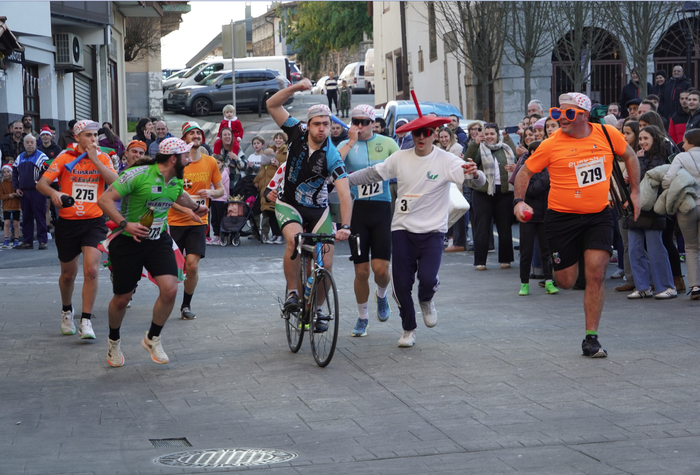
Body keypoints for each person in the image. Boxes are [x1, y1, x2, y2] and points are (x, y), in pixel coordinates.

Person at [514, 92, 641, 358]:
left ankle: (591, 338)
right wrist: (518, 202)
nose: (561, 118)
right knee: (566, 281)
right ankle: (568, 260)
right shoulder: (551, 143)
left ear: (584, 115)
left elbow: (630, 155)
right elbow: (525, 171)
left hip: (598, 215)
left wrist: (636, 192)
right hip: (562, 218)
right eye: (558, 113)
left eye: (569, 113)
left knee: (596, 274)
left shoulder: (607, 134)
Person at [347, 113, 486, 347]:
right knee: (401, 285)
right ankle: (408, 329)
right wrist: (342, 179)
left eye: (426, 133)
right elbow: (372, 173)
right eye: (417, 133)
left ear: (433, 135)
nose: (421, 138)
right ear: (412, 135)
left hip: (433, 231)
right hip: (402, 229)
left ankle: (427, 299)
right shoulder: (400, 158)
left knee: (427, 278)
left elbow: (476, 181)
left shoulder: (446, 160)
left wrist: (476, 174)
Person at [98, 137, 208, 366]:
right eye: (185, 156)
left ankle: (152, 337)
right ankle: (113, 341)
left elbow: (179, 195)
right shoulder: (139, 175)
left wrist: (195, 207)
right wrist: (124, 224)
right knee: (122, 298)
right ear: (173, 159)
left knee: (170, 290)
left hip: (158, 241)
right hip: (128, 241)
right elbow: (105, 200)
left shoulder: (176, 179)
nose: (189, 160)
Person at [265, 78, 353, 321]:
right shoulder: (296, 131)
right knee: (293, 240)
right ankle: (293, 292)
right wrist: (295, 88)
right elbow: (272, 104)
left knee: (327, 259)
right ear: (308, 124)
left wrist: (345, 226)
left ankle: (316, 309)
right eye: (317, 124)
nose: (322, 129)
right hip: (289, 203)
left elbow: (345, 193)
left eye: (326, 124)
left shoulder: (332, 155)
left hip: (318, 209)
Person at [36, 120, 119, 339]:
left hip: (94, 222)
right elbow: (41, 184)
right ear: (77, 138)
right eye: (89, 135)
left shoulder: (103, 158)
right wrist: (55, 194)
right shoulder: (64, 158)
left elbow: (117, 185)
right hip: (67, 223)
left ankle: (86, 321)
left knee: (91, 270)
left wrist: (96, 161)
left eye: (95, 135)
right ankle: (66, 311)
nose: (93, 139)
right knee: (67, 275)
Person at [337, 104, 400, 337]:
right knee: (361, 272)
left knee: (381, 269)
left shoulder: (388, 143)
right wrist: (351, 142)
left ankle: (381, 295)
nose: (360, 126)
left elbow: (405, 165)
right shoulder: (346, 144)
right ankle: (362, 317)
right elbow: (334, 166)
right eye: (355, 121)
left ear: (374, 123)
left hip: (382, 209)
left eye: (365, 122)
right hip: (358, 213)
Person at [167, 121, 225, 320]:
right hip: (176, 221)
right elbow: (168, 197)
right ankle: (166, 300)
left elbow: (221, 190)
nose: (196, 136)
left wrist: (210, 192)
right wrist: (187, 209)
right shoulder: (176, 163)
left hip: (198, 222)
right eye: (191, 134)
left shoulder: (209, 162)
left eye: (198, 133)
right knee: (173, 269)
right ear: (184, 139)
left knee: (192, 265)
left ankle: (185, 305)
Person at [625, 125, 677, 299]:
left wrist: (638, 161)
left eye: (646, 138)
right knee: (634, 248)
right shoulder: (641, 156)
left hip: (652, 207)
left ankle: (667, 286)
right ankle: (642, 286)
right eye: (640, 139)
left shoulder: (660, 156)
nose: (642, 142)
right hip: (636, 206)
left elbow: (646, 175)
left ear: (655, 138)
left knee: (656, 248)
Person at [464, 123, 516, 271]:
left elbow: (516, 157)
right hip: (483, 192)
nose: (489, 137)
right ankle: (480, 261)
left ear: (497, 135)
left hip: (504, 192)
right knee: (482, 227)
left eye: (492, 134)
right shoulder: (479, 148)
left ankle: (506, 259)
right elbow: (467, 160)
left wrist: (509, 139)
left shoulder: (505, 147)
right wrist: (475, 143)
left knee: (504, 227)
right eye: (486, 134)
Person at [514, 140, 558, 296]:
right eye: (535, 151)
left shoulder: (549, 167)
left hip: (546, 214)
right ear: (531, 153)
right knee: (526, 251)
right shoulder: (524, 170)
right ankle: (524, 283)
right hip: (529, 215)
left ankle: (549, 281)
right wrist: (546, 179)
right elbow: (531, 190)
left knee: (547, 251)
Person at [663, 128, 700, 300]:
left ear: (691, 142)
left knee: (691, 247)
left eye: (684, 142)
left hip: (688, 207)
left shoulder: (681, 157)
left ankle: (695, 287)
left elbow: (668, 179)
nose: (683, 145)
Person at [12, 135, 49, 250]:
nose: (29, 144)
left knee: (40, 216)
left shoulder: (42, 157)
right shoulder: (19, 158)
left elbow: (48, 173)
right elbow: (14, 174)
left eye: (31, 142)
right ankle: (27, 241)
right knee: (26, 217)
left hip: (37, 191)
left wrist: (41, 184)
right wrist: (16, 188)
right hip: (23, 192)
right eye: (27, 142)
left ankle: (42, 241)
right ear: (24, 144)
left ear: (35, 144)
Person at [254, 133, 286, 244]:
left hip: (278, 185)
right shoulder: (268, 151)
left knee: (278, 212)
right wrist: (256, 180)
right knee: (269, 212)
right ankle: (275, 234)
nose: (278, 140)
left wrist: (279, 163)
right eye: (276, 138)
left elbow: (290, 166)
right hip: (266, 186)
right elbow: (262, 169)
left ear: (284, 140)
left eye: (280, 138)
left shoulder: (286, 151)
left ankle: (281, 235)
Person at [206, 154, 230, 246]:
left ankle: (222, 236)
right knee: (214, 219)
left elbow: (214, 183)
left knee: (220, 218)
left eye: (218, 163)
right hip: (214, 198)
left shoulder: (224, 173)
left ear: (222, 163)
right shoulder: (214, 172)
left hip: (221, 198)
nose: (216, 164)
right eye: (214, 163)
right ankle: (216, 235)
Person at [1, 164, 20, 248]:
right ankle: (6, 239)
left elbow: (20, 192)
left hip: (16, 205)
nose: (6, 174)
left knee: (16, 223)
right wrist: (9, 196)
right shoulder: (2, 184)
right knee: (6, 223)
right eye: (4, 172)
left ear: (12, 172)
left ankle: (16, 238)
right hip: (6, 206)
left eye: (8, 171)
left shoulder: (16, 182)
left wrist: (16, 194)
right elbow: (1, 196)